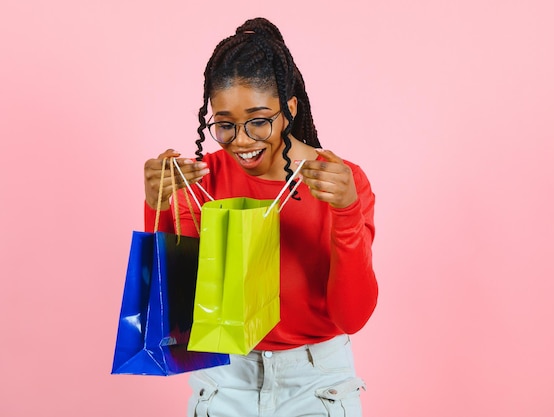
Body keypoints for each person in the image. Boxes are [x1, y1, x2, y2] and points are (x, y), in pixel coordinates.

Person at [142, 17, 378, 417]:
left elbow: (352, 316)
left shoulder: (340, 182)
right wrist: (158, 207)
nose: (243, 140)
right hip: (224, 377)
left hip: (318, 383)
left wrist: (347, 212)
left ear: (289, 108)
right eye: (225, 125)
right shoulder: (201, 180)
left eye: (259, 120)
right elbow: (171, 312)